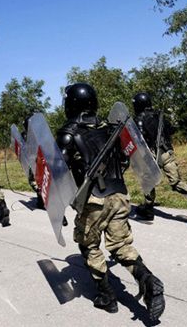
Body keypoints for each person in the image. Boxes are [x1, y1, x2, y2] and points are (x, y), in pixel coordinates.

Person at [56, 83, 165, 321]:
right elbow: (126, 160)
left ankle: (107, 295)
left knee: (89, 245)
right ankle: (147, 280)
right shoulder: (112, 128)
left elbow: (59, 172)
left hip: (94, 200)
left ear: (72, 104)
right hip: (121, 195)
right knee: (120, 245)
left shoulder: (68, 132)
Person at [132, 93, 187, 222]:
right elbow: (171, 130)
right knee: (177, 182)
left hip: (151, 155)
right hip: (167, 153)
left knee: (148, 181)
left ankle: (148, 208)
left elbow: (139, 138)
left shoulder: (139, 118)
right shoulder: (160, 116)